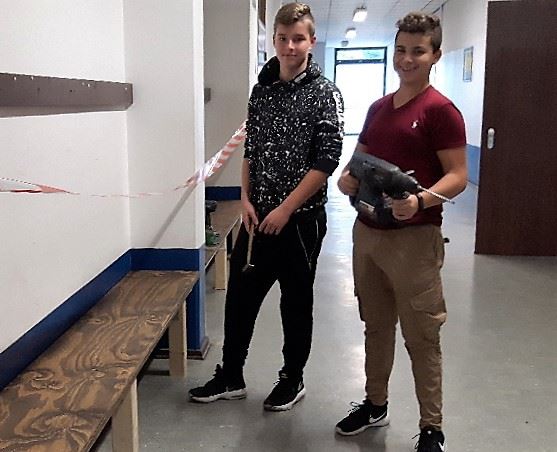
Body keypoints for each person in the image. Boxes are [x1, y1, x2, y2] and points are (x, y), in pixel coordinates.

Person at [189, 2, 343, 412]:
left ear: (311, 41)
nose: (290, 47)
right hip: (257, 219)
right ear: (274, 40)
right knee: (240, 297)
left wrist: (286, 209)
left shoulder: (325, 94)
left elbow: (326, 161)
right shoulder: (263, 91)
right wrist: (245, 199)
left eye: (298, 39)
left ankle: (292, 379)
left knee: (295, 303)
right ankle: (231, 375)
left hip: (300, 222)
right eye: (283, 38)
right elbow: (251, 151)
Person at [335, 12, 467, 452]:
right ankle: (375, 404)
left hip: (414, 240)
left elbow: (458, 175)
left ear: (435, 56)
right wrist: (347, 179)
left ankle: (432, 428)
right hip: (368, 233)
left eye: (418, 51)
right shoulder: (378, 108)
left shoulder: (440, 111)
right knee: (375, 326)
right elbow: (358, 160)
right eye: (401, 50)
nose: (407, 59)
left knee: (421, 335)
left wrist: (420, 201)